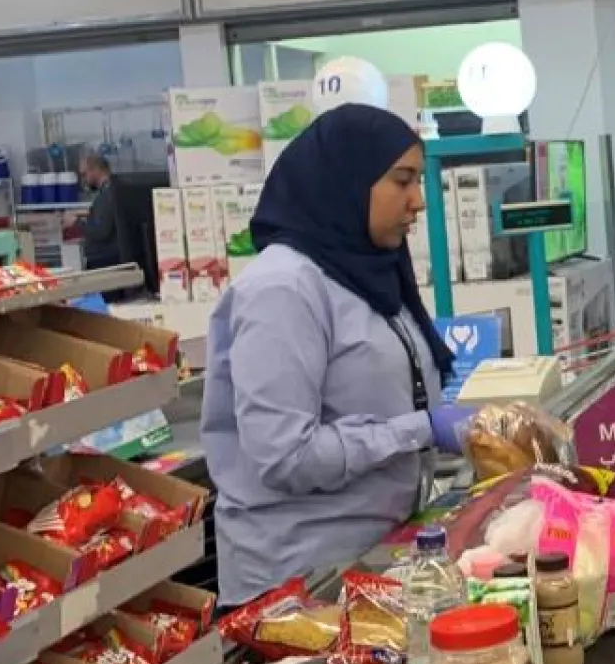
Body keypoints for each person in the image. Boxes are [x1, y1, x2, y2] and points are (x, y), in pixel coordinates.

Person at [201, 103, 470, 606]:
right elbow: (285, 456)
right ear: (348, 180)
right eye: (402, 181)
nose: (418, 201)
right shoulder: (283, 290)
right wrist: (420, 430)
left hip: (369, 560)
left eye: (419, 181)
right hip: (298, 590)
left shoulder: (367, 272)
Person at [76, 152, 120, 270]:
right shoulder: (116, 190)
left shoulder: (106, 196)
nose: (83, 180)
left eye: (84, 174)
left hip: (106, 262)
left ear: (95, 170)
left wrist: (77, 222)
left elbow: (101, 232)